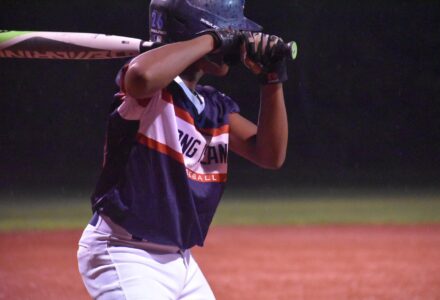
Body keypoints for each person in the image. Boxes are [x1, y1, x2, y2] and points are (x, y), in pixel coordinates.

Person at [77, 0, 289, 299]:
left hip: (180, 260)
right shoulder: (151, 92)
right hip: (126, 253)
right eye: (229, 34)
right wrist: (211, 39)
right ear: (194, 33)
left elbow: (270, 155)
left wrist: (272, 80)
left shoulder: (213, 106)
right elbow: (141, 77)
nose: (233, 44)